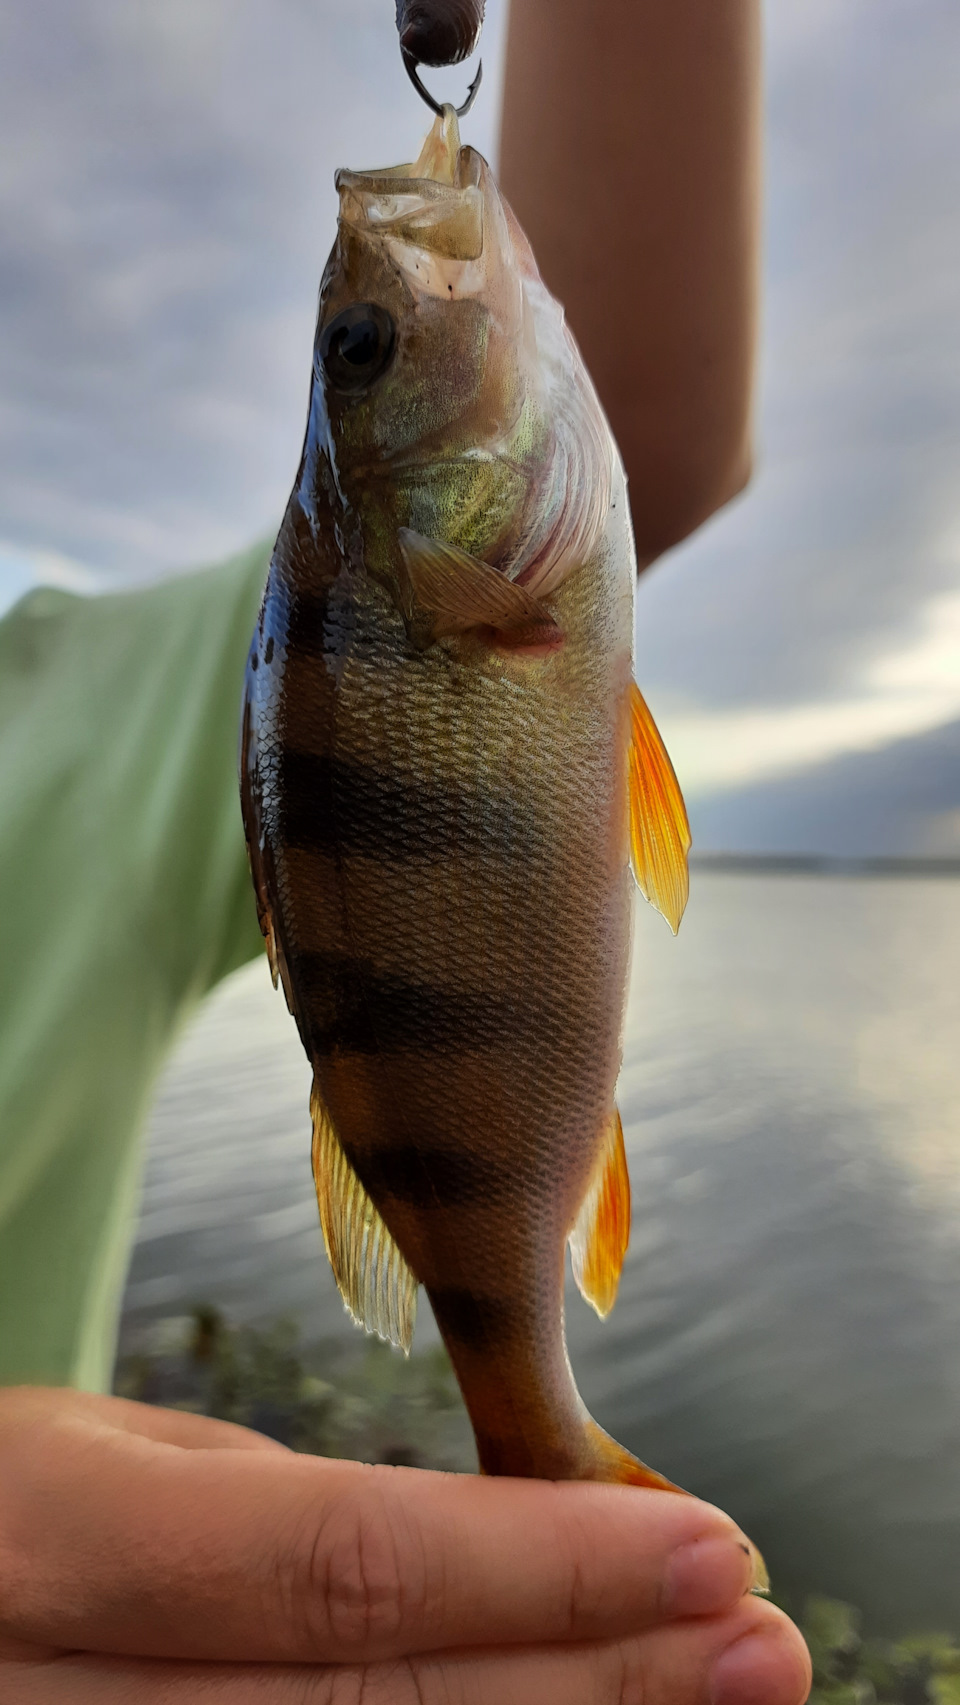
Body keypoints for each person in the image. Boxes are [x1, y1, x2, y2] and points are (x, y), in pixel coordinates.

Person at [0, 1, 811, 1698]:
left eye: (350, 354)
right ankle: (533, 1420)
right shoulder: (370, 609)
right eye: (368, 350)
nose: (380, 297)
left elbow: (644, 419)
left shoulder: (75, 703)